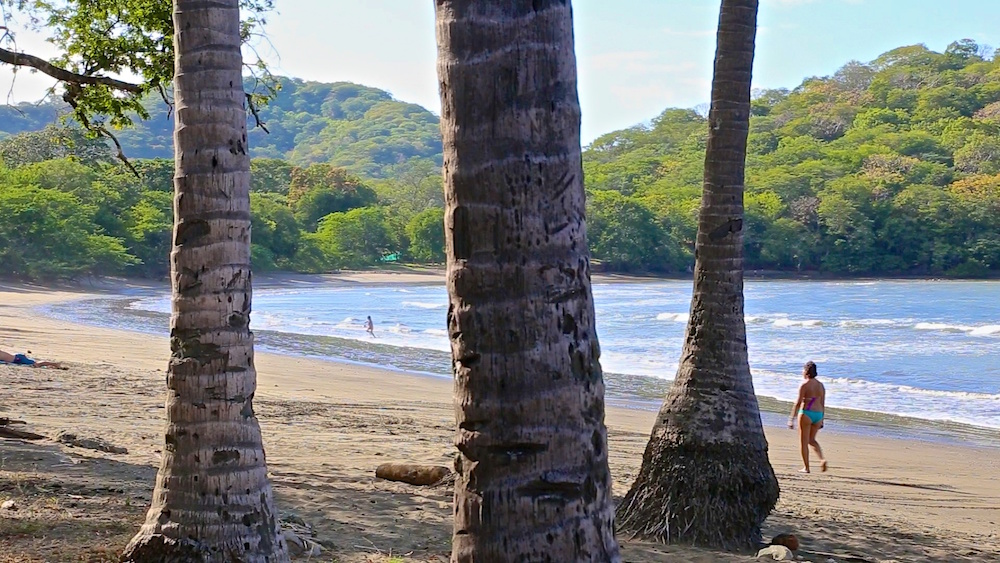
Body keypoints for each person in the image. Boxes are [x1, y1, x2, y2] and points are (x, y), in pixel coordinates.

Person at [788, 360, 827, 473]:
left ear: (806, 371)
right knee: (812, 440)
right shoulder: (821, 386)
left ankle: (806, 467)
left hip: (806, 413)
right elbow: (822, 403)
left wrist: (791, 419)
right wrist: (822, 419)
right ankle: (822, 459)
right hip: (818, 414)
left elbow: (798, 402)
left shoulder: (804, 385)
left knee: (804, 442)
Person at [0, 349, 66, 369]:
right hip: (17, 357)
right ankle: (52, 365)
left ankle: (55, 364)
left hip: (18, 359)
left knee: (36, 364)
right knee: (36, 364)